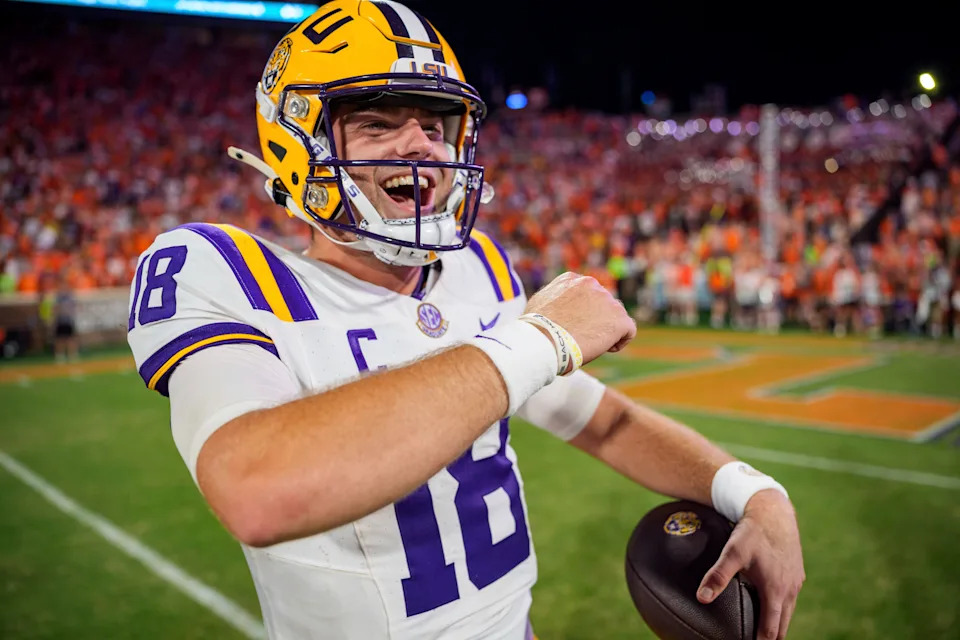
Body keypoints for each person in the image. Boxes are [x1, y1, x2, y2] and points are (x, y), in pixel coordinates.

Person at [126, 2, 804, 638]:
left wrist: (754, 491)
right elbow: (255, 490)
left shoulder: (478, 264)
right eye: (378, 122)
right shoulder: (222, 269)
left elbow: (598, 419)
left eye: (435, 124)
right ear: (299, 141)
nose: (420, 144)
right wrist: (537, 338)